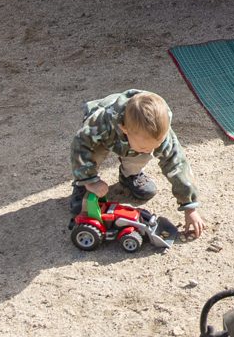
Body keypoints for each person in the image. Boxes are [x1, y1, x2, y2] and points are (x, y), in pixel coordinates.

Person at [68, 89, 202, 238]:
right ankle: (82, 185)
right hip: (102, 138)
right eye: (146, 146)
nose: (151, 149)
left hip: (129, 143)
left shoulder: (160, 131)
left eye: (155, 145)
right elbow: (79, 147)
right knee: (93, 153)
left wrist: (189, 207)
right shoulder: (100, 122)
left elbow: (176, 163)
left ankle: (129, 175)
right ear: (125, 129)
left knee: (141, 154)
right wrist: (89, 180)